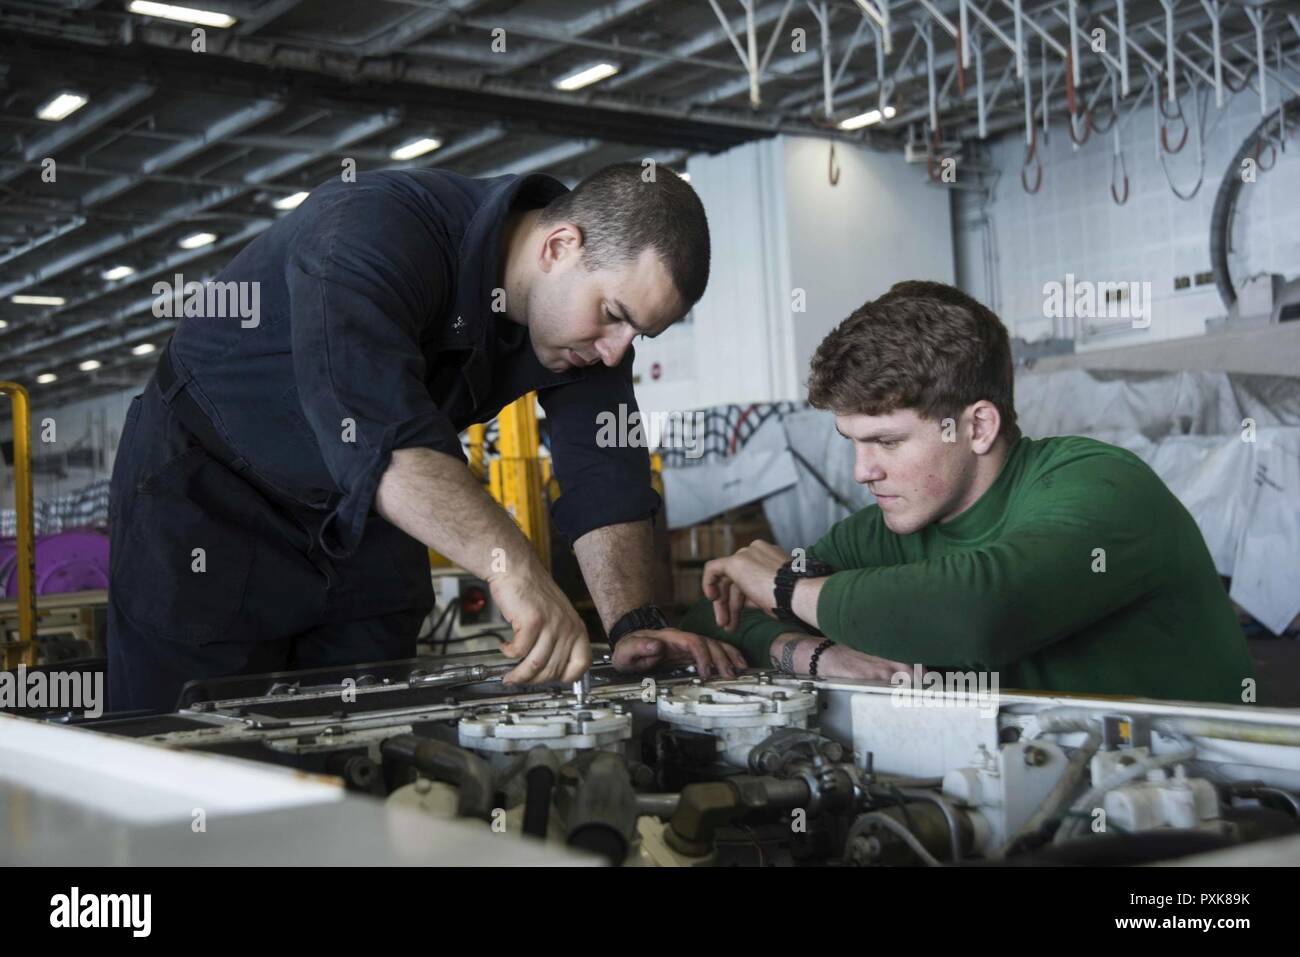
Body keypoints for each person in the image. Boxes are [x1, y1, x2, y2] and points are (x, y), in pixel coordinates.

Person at [108, 162, 743, 712]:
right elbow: (377, 434)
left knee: (371, 739)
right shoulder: (368, 230)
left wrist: (636, 624)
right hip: (210, 500)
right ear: (558, 246)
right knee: (193, 750)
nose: (616, 354)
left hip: (367, 520)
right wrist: (511, 564)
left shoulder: (586, 334)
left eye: (637, 336)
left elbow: (607, 476)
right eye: (615, 318)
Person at [685, 280, 1255, 703]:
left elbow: (980, 613)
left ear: (977, 427)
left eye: (886, 441)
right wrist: (817, 653)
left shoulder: (1103, 487)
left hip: (1205, 814)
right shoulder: (889, 527)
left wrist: (787, 587)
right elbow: (722, 613)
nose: (863, 471)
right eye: (852, 441)